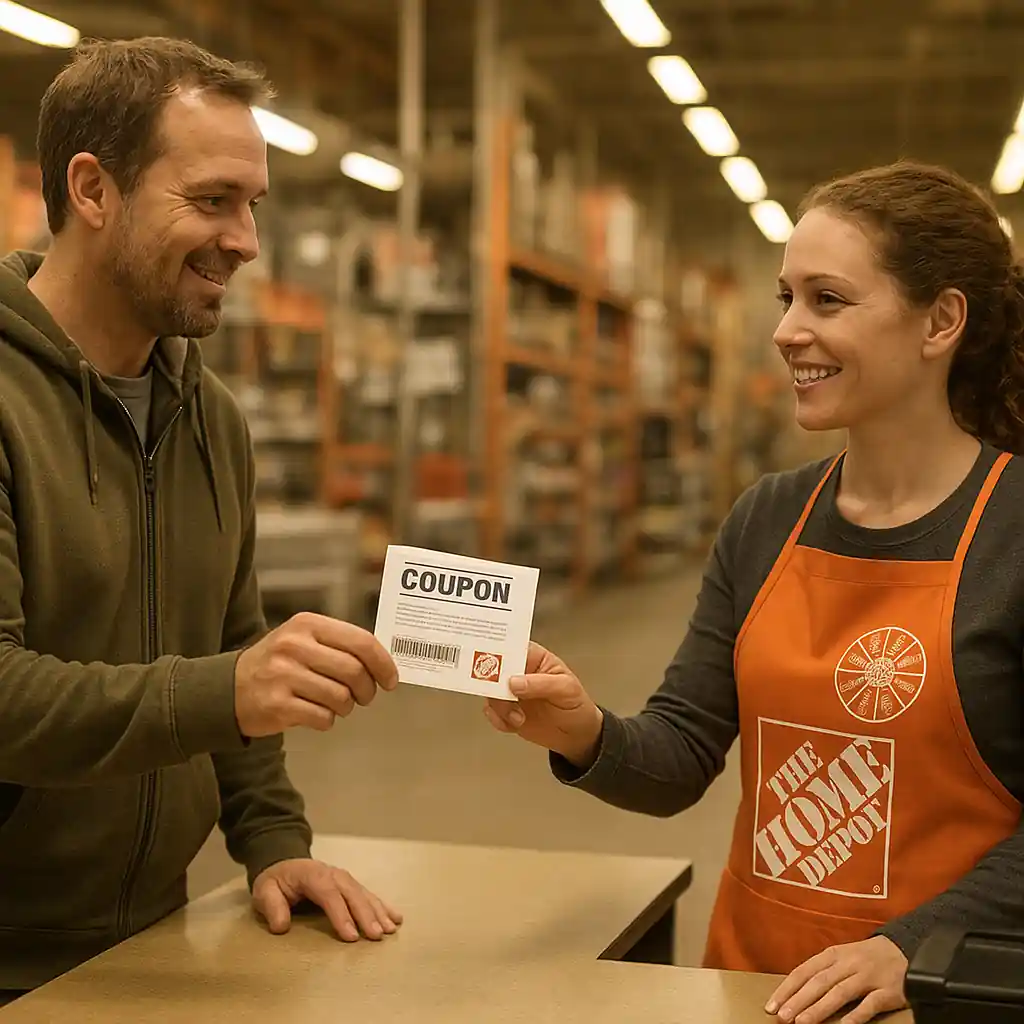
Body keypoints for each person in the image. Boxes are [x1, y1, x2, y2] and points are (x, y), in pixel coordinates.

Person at [486, 159, 1024, 1024]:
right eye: (787, 299)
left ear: (942, 321)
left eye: (828, 300)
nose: (787, 330)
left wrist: (911, 947)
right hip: (752, 991)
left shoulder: (1014, 532)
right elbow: (683, 754)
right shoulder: (769, 516)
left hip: (934, 999)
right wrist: (582, 732)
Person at [0, 37, 403, 999]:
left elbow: (228, 639)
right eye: (212, 200)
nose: (247, 241)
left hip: (150, 938)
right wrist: (225, 689)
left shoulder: (208, 414)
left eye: (252, 206)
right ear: (92, 191)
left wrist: (272, 841)